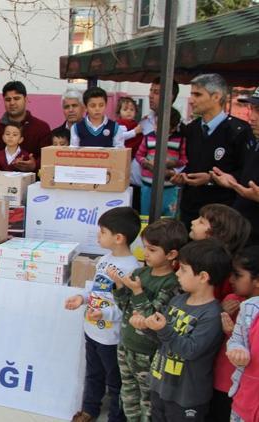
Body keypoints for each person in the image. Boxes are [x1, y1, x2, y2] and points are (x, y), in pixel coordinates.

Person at [129, 239, 231, 422]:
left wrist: (163, 329)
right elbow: (163, 339)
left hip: (186, 396)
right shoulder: (178, 300)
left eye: (183, 269)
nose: (177, 274)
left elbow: (190, 350)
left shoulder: (212, 314)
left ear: (203, 276)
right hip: (160, 384)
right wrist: (146, 327)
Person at [64, 207, 141, 422]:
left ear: (118, 238)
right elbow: (96, 288)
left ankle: (116, 417)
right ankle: (90, 410)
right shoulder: (104, 259)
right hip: (92, 330)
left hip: (112, 338)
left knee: (115, 381)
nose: (98, 235)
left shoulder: (132, 269)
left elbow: (127, 306)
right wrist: (83, 298)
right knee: (93, 373)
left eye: (102, 232)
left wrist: (105, 313)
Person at [110, 219, 189, 422]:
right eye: (145, 247)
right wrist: (119, 286)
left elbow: (151, 317)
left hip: (148, 352)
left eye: (152, 249)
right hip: (125, 345)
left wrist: (137, 291)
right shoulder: (140, 272)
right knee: (128, 396)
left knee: (148, 401)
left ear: (171, 255)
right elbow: (124, 307)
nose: (145, 253)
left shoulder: (172, 283)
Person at [172, 73, 250, 226]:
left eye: (198, 94)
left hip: (221, 216)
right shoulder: (193, 129)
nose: (192, 100)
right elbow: (194, 163)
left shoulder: (238, 130)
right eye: (191, 94)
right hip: (191, 212)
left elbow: (246, 174)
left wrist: (211, 179)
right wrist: (183, 176)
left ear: (216, 97)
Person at [209, 247, 258, 421]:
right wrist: (218, 315)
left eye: (237, 275)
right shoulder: (231, 300)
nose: (230, 280)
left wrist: (233, 334)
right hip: (215, 379)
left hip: (241, 389)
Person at [212, 87, 259, 247]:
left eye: (258, 111)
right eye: (251, 109)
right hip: (245, 237)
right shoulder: (254, 143)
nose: (251, 117)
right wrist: (233, 182)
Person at [0, 81, 52, 172]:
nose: (12, 103)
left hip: (32, 183)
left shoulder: (41, 128)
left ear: (25, 99)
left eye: (16, 98)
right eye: (8, 99)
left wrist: (35, 166)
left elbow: (47, 157)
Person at [225, 248, 259, 422]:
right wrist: (237, 349)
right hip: (245, 401)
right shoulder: (250, 308)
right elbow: (237, 341)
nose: (231, 280)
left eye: (237, 275)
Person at [135, 108, 187, 217]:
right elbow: (139, 155)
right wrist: (146, 163)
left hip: (169, 187)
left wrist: (172, 163)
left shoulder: (180, 140)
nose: (157, 128)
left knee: (168, 219)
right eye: (156, 123)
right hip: (148, 186)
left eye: (163, 126)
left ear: (173, 128)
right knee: (146, 217)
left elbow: (184, 160)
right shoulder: (148, 137)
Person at [70, 87, 139, 148]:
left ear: (105, 105)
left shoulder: (115, 127)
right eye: (93, 105)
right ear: (85, 108)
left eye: (101, 105)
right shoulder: (76, 128)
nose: (97, 109)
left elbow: (119, 151)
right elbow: (73, 152)